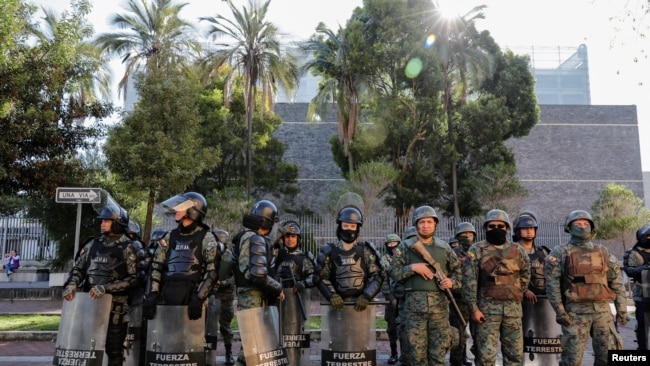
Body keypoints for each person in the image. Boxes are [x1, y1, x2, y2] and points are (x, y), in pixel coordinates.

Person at [544, 210, 628, 366]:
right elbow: (552, 284)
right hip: (575, 313)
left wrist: (621, 309)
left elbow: (616, 282)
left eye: (585, 223)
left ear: (592, 227)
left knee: (608, 356)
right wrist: (560, 311)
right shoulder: (560, 252)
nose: (582, 227)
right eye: (577, 224)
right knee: (572, 359)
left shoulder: (603, 252)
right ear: (569, 228)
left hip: (602, 312)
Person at [62, 198, 139, 366]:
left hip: (116, 309)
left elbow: (134, 279)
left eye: (106, 221)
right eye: (102, 220)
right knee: (86, 345)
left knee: (113, 349)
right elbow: (79, 269)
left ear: (118, 223)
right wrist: (71, 285)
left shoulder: (128, 247)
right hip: (90, 305)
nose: (102, 224)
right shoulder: (92, 244)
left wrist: (106, 288)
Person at [390, 205, 462, 365]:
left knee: (438, 355)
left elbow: (459, 272)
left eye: (429, 221)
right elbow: (393, 271)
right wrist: (413, 268)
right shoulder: (404, 247)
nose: (425, 225)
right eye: (421, 222)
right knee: (416, 355)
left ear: (435, 224)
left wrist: (451, 282)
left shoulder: (445, 248)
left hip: (439, 309)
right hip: (413, 309)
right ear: (416, 225)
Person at [462, 209, 531, 366]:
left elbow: (526, 274)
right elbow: (469, 282)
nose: (496, 229)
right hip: (486, 311)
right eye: (491, 226)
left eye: (500, 226)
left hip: (513, 311)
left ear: (507, 228)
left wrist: (517, 292)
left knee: (514, 355)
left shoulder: (518, 250)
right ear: (486, 228)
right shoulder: (477, 250)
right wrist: (474, 309)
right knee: (486, 356)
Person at [142, 192, 219, 322]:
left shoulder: (207, 238)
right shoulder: (168, 237)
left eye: (181, 206)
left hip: (192, 302)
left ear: (193, 210)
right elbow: (156, 267)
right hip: (167, 300)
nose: (176, 209)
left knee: (191, 341)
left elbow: (212, 272)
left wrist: (199, 298)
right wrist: (152, 294)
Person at [232, 199, 285, 366]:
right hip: (253, 299)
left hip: (247, 297)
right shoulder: (255, 238)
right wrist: (278, 288)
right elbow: (258, 275)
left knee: (250, 346)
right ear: (267, 222)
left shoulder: (244, 236)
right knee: (252, 346)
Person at [275, 219, 317, 365]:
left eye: (293, 236)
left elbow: (314, 277)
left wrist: (303, 283)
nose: (290, 239)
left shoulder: (304, 257)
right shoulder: (276, 255)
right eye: (287, 236)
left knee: (295, 339)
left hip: (296, 304)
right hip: (278, 303)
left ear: (298, 238)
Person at [449, 222, 477, 366]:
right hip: (458, 302)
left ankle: (477, 358)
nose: (467, 237)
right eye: (463, 235)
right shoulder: (453, 254)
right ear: (458, 237)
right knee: (458, 336)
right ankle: (457, 361)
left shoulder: (479, 251)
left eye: (470, 234)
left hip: (478, 301)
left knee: (479, 335)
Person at [623, 223, 650, 350]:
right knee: (643, 323)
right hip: (641, 292)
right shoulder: (633, 253)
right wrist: (645, 268)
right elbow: (629, 271)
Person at [213, 229, 236, 365]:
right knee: (207, 325)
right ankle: (206, 353)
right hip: (210, 294)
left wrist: (223, 283)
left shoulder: (230, 256)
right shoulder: (209, 253)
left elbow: (235, 277)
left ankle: (228, 353)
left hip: (225, 296)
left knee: (225, 326)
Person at [380, 233, 402, 364]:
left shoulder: (405, 257)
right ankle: (394, 353)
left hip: (405, 298)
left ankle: (406, 353)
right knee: (392, 327)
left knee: (406, 327)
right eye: (390, 244)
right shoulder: (384, 260)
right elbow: (383, 280)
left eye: (395, 243)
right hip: (391, 299)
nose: (392, 246)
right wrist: (390, 297)